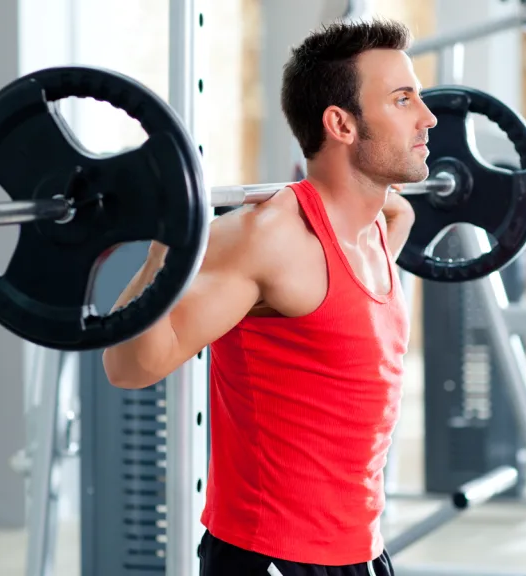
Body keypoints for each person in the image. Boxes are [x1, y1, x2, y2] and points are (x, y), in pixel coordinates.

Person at [102, 19, 435, 576]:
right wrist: (165, 248)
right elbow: (128, 366)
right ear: (341, 124)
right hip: (271, 558)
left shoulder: (381, 227)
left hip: (362, 550)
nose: (427, 117)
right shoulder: (268, 239)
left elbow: (397, 212)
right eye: (403, 100)